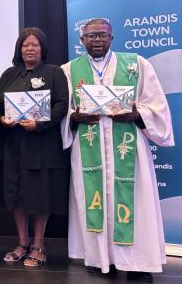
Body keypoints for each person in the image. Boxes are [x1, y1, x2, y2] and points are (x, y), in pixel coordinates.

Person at [61, 18, 174, 282]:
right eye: (91, 35)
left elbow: (156, 105)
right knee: (94, 200)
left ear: (112, 38)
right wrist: (73, 118)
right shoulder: (69, 70)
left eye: (102, 35)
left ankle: (138, 263)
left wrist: (136, 114)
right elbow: (62, 110)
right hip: (90, 146)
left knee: (134, 199)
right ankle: (102, 259)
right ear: (82, 41)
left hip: (128, 147)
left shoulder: (136, 65)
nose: (97, 39)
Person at [0, 27, 69, 267]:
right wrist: (1, 119)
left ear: (42, 48)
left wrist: (38, 124)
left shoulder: (54, 73)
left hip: (42, 145)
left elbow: (61, 106)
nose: (29, 49)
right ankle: (22, 242)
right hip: (13, 145)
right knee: (16, 194)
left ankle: (38, 245)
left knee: (40, 195)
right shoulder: (8, 74)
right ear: (19, 48)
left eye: (34, 45)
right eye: (25, 45)